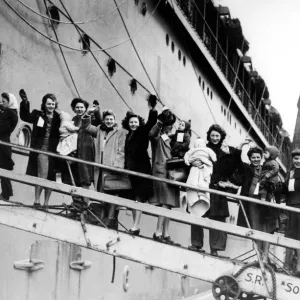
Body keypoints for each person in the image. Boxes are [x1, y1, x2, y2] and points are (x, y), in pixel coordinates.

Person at [189, 124, 240, 255]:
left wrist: (235, 151)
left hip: (217, 186)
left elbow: (233, 167)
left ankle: (215, 248)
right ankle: (196, 244)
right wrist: (192, 162)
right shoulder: (203, 148)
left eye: (217, 136)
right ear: (209, 136)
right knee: (197, 212)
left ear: (221, 137)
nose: (215, 138)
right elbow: (192, 157)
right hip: (203, 184)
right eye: (212, 135)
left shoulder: (227, 151)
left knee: (218, 217)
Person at [82, 109, 127, 229]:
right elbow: (86, 126)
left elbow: (121, 151)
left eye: (111, 119)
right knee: (101, 191)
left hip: (112, 168)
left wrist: (117, 166)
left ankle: (111, 219)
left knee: (112, 193)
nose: (109, 121)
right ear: (104, 120)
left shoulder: (119, 132)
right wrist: (88, 113)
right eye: (107, 119)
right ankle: (104, 218)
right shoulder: (99, 130)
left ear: (114, 120)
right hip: (100, 168)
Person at [236, 145, 278, 263]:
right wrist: (240, 146)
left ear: (261, 158)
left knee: (266, 229)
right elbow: (237, 160)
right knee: (255, 228)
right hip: (251, 203)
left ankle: (265, 256)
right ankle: (259, 256)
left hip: (265, 202)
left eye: (258, 157)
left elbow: (275, 182)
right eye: (253, 157)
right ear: (250, 158)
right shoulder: (246, 168)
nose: (255, 159)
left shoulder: (266, 168)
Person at [122, 100, 158, 235]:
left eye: (135, 122)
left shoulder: (142, 131)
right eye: (131, 122)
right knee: (133, 199)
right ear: (127, 123)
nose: (133, 124)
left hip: (140, 169)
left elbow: (150, 122)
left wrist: (152, 109)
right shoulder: (127, 135)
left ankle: (136, 226)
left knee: (138, 198)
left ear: (139, 123)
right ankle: (134, 225)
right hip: (131, 171)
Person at [19, 91, 60, 207]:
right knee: (41, 175)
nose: (51, 106)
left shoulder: (59, 118)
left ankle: (46, 203)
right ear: (44, 104)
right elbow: (24, 116)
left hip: (54, 152)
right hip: (41, 150)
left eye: (53, 104)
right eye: (49, 104)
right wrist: (25, 102)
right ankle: (37, 201)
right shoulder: (38, 115)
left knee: (51, 178)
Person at [60, 98, 101, 205]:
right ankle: (77, 206)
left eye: (81, 107)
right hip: (74, 153)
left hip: (86, 153)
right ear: (74, 109)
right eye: (77, 107)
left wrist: (97, 112)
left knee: (85, 181)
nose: (79, 109)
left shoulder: (90, 119)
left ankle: (84, 207)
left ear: (85, 108)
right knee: (72, 180)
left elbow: (99, 123)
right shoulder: (72, 120)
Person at [149, 107, 180, 244]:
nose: (170, 128)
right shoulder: (157, 137)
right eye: (168, 125)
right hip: (162, 173)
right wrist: (160, 121)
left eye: (171, 125)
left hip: (173, 174)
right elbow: (152, 134)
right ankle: (158, 232)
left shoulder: (172, 139)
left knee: (169, 204)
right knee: (165, 203)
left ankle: (166, 233)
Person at [184, 138, 217, 217]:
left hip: (204, 167)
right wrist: (189, 162)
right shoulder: (196, 150)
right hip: (196, 168)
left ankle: (200, 199)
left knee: (200, 184)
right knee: (194, 183)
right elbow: (187, 155)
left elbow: (187, 155)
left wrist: (188, 161)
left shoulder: (206, 150)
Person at [281, 149, 300, 277]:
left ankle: (299, 266)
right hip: (291, 207)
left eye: (299, 158)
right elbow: (285, 190)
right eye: (295, 158)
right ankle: (286, 265)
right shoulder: (290, 173)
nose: (298, 161)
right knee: (289, 236)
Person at [0, 93, 19, 201]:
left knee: (4, 168)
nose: (1, 103)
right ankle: (6, 193)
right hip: (3, 142)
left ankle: (6, 194)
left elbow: (2, 128)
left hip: (3, 144)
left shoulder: (11, 114)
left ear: (10, 102)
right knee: (3, 168)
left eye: (4, 101)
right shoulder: (6, 112)